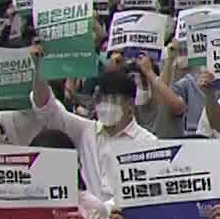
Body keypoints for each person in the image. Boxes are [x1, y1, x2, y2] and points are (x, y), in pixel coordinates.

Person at [29, 53, 155, 200]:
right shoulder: (85, 131)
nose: (105, 105)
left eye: (113, 99)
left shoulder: (148, 143)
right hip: (85, 218)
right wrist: (39, 69)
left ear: (130, 104)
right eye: (101, 99)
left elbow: (143, 192)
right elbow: (47, 110)